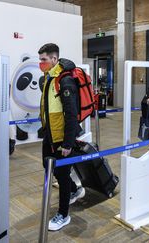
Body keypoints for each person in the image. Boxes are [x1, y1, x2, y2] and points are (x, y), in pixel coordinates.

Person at [38, 43, 85, 231]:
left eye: (44, 59)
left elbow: (71, 114)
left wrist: (67, 143)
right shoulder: (49, 77)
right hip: (50, 134)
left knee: (62, 176)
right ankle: (75, 190)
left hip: (62, 137)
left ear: (54, 59)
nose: (40, 63)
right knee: (48, 167)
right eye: (40, 59)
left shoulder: (64, 81)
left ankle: (63, 214)